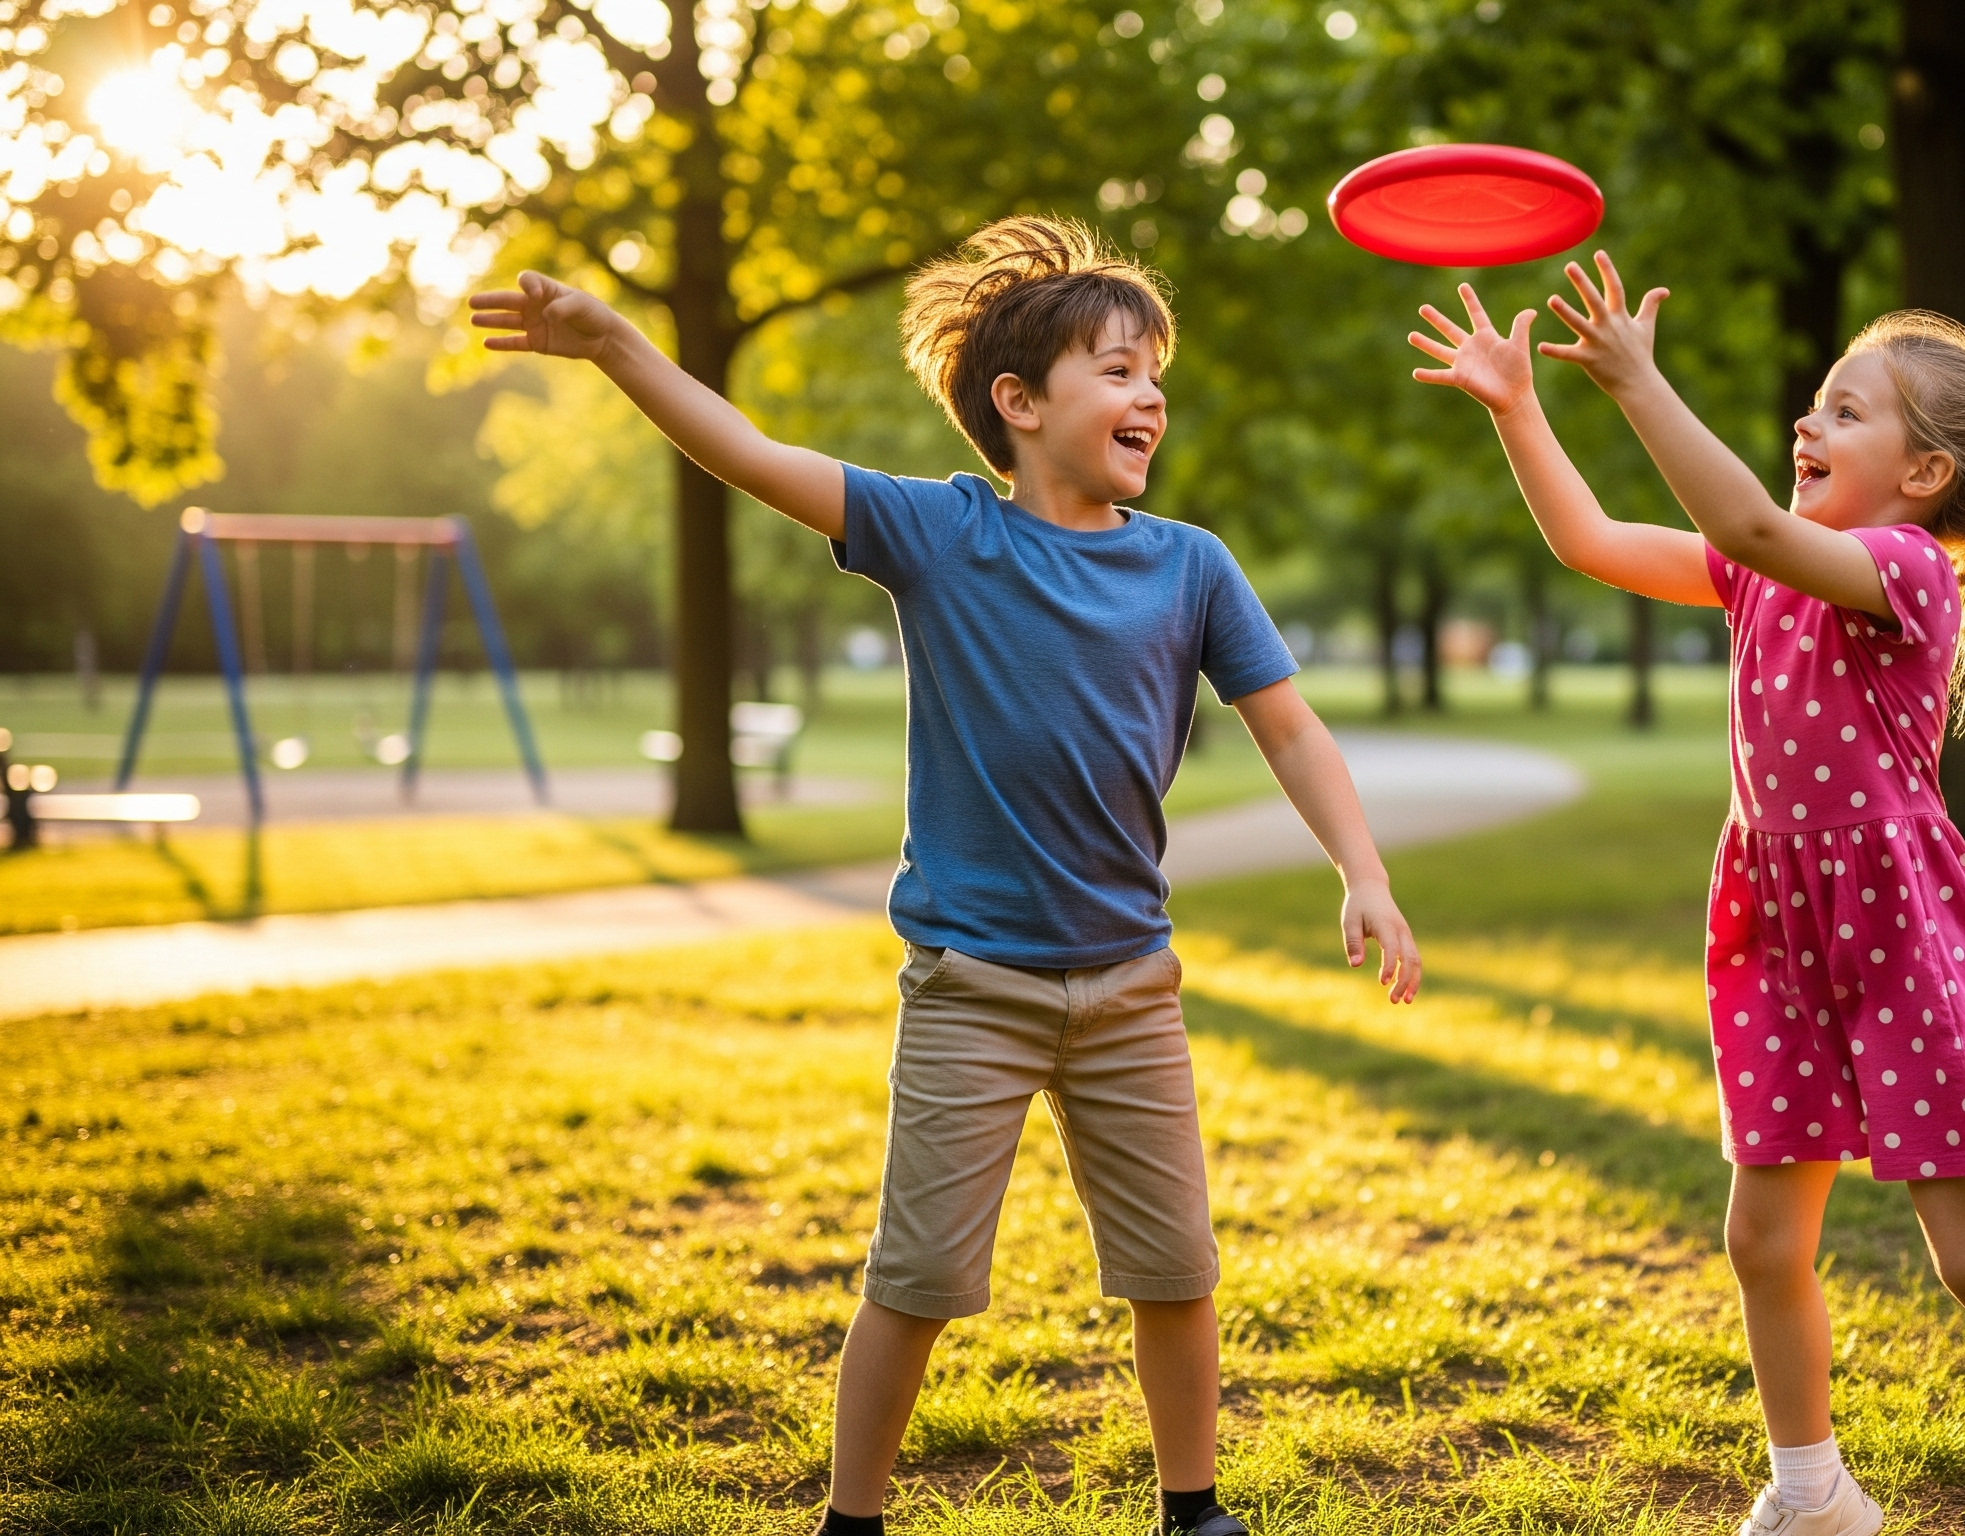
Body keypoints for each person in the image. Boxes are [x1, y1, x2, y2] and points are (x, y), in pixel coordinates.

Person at [473, 216, 1422, 1536]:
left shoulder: (1190, 565)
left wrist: (1362, 871)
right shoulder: (940, 533)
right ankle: (851, 1521)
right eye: (1116, 368)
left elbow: (1290, 728)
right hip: (972, 986)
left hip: (1133, 985)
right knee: (916, 1278)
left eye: (1156, 373)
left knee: (1177, 1269)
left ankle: (1193, 1514)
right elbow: (749, 453)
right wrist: (621, 346)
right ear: (1019, 404)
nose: (1149, 394)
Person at [1407, 259, 1965, 1536]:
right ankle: (1810, 1488)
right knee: (1762, 1240)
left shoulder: (1906, 570)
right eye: (1812, 408)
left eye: (1841, 412)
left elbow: (1754, 528)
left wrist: (1642, 385)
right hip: (1775, 925)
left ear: (1924, 474)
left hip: (1896, 930)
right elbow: (1592, 542)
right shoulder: (1754, 571)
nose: (1804, 428)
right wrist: (1516, 408)